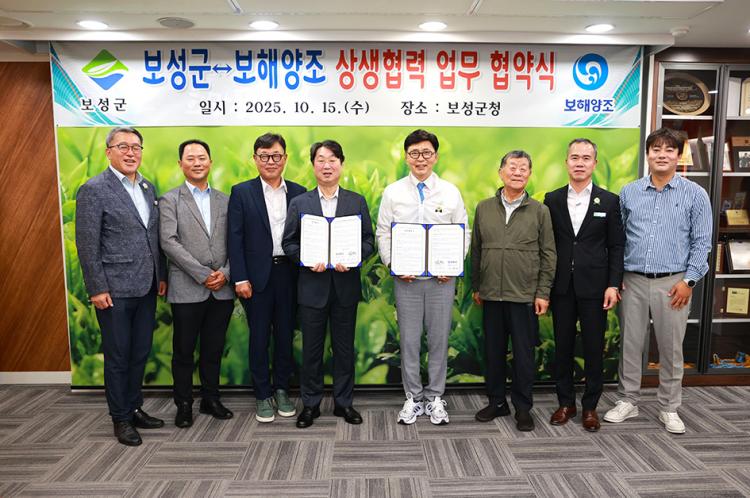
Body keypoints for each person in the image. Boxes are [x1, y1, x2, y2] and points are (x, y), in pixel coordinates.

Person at [604, 127, 712, 434]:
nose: (661, 155)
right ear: (648, 154)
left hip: (674, 283)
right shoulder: (630, 192)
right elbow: (619, 239)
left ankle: (669, 407)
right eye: (656, 149)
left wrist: (689, 281)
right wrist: (617, 276)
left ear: (679, 155)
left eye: (669, 150)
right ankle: (628, 400)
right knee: (630, 344)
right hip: (633, 281)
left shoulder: (695, 194)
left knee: (671, 348)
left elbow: (702, 242)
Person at [75, 126, 167, 446]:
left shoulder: (147, 186)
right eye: (123, 146)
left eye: (136, 147)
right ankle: (121, 418)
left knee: (139, 352)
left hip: (146, 286)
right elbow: (87, 244)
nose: (131, 153)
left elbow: (152, 237)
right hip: (113, 290)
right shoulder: (94, 189)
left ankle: (134, 407)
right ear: (108, 152)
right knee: (118, 356)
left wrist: (161, 276)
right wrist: (96, 288)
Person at [376, 129, 470, 426]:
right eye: (414, 153)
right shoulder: (393, 192)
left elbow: (463, 232)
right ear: (406, 157)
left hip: (442, 280)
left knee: (439, 338)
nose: (421, 159)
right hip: (406, 280)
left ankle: (435, 397)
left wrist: (452, 265)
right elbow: (383, 232)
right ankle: (413, 397)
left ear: (436, 157)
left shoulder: (450, 192)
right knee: (409, 340)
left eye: (426, 153)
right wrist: (393, 263)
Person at [282, 140, 374, 428]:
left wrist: (354, 257)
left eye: (332, 159)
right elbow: (289, 242)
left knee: (344, 350)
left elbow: (368, 240)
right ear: (313, 166)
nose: (327, 165)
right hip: (312, 287)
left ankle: (344, 403)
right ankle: (310, 405)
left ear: (341, 164)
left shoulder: (356, 201)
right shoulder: (300, 203)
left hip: (345, 286)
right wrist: (307, 259)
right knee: (312, 351)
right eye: (321, 160)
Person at [543, 138, 625, 432]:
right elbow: (547, 245)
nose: (580, 163)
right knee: (563, 348)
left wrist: (613, 284)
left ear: (595, 163)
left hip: (595, 288)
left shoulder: (609, 200)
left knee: (593, 348)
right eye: (575, 157)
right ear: (566, 162)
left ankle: (590, 406)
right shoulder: (552, 199)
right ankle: (566, 403)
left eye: (586, 158)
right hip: (562, 287)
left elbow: (616, 246)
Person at [471, 150, 556, 432]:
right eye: (512, 167)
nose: (517, 172)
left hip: (524, 296)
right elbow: (476, 250)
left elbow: (548, 254)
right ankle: (497, 402)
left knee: (523, 356)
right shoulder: (484, 208)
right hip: (491, 295)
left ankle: (522, 407)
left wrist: (543, 292)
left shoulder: (540, 211)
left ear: (529, 174)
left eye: (523, 168)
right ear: (501, 172)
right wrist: (476, 285)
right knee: (493, 353)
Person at [227, 133, 306, 423]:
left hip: (289, 274)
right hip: (256, 277)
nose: (270, 161)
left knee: (285, 335)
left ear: (285, 158)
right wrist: (240, 278)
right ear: (255, 159)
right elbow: (234, 238)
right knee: (259, 337)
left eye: (276, 156)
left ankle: (282, 389)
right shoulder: (241, 192)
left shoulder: (299, 192)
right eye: (264, 156)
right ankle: (262, 394)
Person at [159, 139, 234, 428]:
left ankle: (211, 399)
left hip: (222, 288)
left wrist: (225, 273)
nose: (197, 162)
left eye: (202, 157)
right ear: (181, 164)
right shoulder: (170, 200)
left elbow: (237, 241)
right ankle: (184, 404)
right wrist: (203, 274)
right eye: (190, 158)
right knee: (184, 351)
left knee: (214, 349)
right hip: (187, 288)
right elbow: (169, 242)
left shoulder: (226, 200)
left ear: (210, 162)